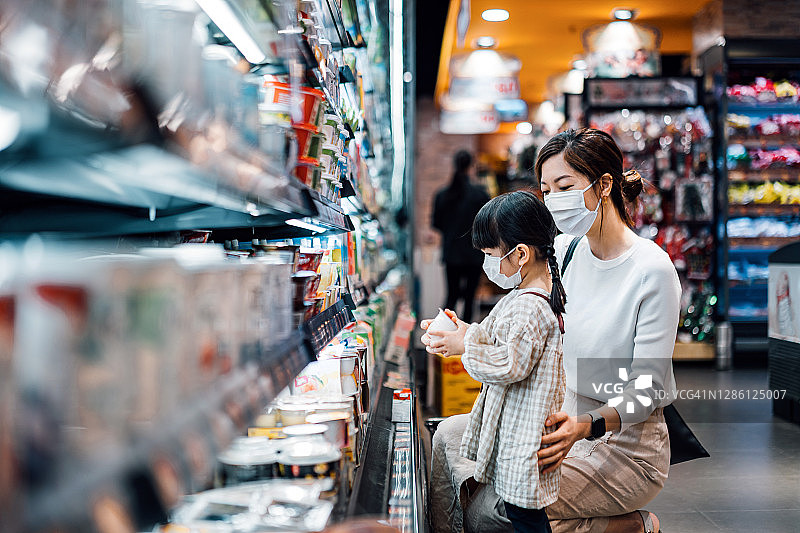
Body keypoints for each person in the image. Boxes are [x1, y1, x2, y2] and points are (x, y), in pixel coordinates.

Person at [430, 128, 680, 533]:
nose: (553, 202)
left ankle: (630, 526)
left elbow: (647, 391)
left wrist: (585, 426)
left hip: (619, 442)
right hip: (549, 416)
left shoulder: (651, 271)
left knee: (493, 514)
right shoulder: (563, 250)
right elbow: (522, 327)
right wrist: (465, 335)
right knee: (448, 438)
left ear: (603, 185)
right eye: (546, 191)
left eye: (565, 186)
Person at [423, 190, 567, 533]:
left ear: (519, 255)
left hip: (526, 437)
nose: (486, 264)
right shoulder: (524, 296)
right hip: (521, 431)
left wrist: (464, 345)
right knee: (521, 513)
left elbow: (508, 362)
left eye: (490, 254)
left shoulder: (530, 305)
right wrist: (458, 331)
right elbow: (492, 335)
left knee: (525, 517)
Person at [432, 150, 490, 323]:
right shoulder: (480, 194)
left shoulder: (442, 195)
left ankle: (444, 332)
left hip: (451, 253)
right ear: (471, 166)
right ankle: (465, 339)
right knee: (470, 298)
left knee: (451, 296)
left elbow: (437, 224)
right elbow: (487, 224)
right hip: (474, 254)